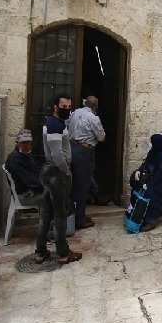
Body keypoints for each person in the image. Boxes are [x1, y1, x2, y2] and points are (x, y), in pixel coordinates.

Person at [34, 93, 82, 265]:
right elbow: (56, 154)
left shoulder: (53, 123)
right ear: (56, 107)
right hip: (56, 173)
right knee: (60, 214)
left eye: (69, 107)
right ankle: (63, 252)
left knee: (46, 214)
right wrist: (66, 171)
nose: (67, 110)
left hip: (49, 172)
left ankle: (40, 252)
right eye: (63, 107)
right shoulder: (55, 125)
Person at [67, 95, 106, 230]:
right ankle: (79, 220)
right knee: (82, 186)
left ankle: (74, 216)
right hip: (84, 151)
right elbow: (101, 137)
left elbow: (67, 125)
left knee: (74, 185)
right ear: (95, 106)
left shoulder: (75, 113)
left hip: (72, 148)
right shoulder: (93, 118)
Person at [134, 134, 162, 232]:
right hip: (154, 179)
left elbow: (161, 173)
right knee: (136, 186)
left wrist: (149, 185)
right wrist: (139, 170)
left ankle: (150, 221)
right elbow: (145, 163)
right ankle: (139, 216)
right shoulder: (152, 152)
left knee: (150, 192)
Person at [4, 129, 44, 207]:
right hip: (24, 197)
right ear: (18, 143)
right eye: (23, 142)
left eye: (28, 142)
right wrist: (45, 187)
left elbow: (34, 172)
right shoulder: (16, 158)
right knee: (53, 197)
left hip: (28, 192)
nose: (26, 145)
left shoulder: (25, 155)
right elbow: (30, 181)